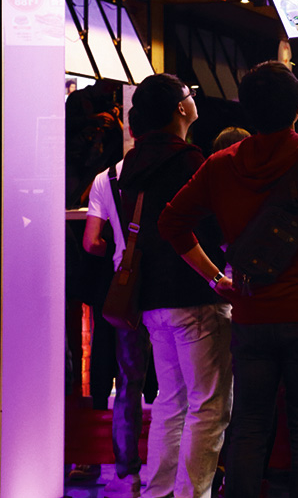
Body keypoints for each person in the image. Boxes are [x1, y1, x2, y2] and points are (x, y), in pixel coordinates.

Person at [158, 61, 298, 498]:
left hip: (251, 314)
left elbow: (171, 223)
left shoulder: (221, 165)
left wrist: (214, 277)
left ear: (247, 109)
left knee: (249, 425)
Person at [115, 74, 232, 498]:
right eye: (189, 94)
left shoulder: (133, 163)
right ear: (181, 108)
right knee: (209, 405)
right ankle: (192, 494)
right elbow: (212, 224)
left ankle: (160, 491)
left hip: (152, 298)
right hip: (194, 292)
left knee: (171, 400)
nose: (193, 99)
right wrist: (218, 273)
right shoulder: (188, 161)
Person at [82, 156, 154, 498]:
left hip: (127, 287)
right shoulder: (177, 164)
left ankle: (127, 474)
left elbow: (90, 241)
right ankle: (171, 473)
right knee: (179, 385)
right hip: (171, 286)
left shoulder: (106, 178)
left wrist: (120, 249)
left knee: (128, 383)